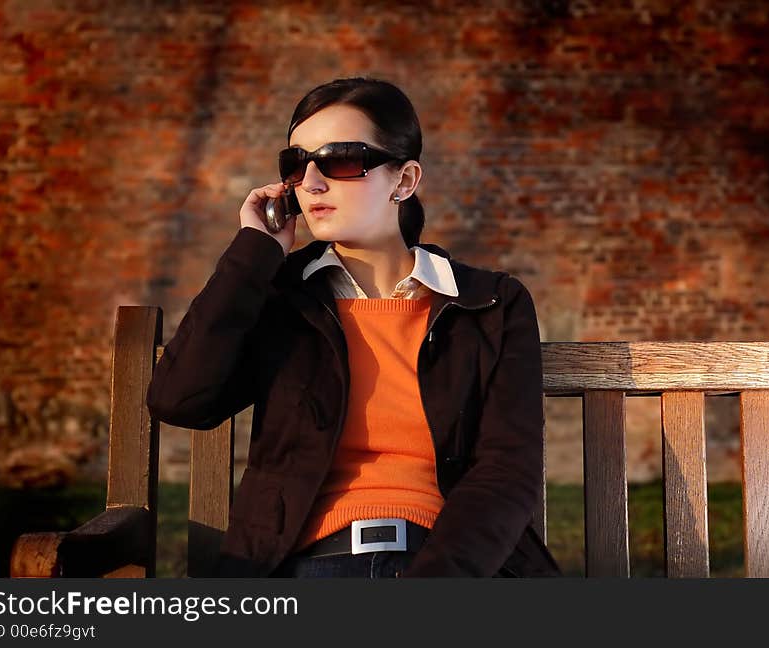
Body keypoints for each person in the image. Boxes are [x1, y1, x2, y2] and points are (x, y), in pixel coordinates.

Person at [145, 76, 562, 578]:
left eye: (342, 160)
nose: (313, 183)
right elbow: (179, 400)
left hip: (445, 566)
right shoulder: (283, 300)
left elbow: (504, 473)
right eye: (297, 165)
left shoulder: (489, 304)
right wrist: (254, 253)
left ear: (404, 181)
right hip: (309, 564)